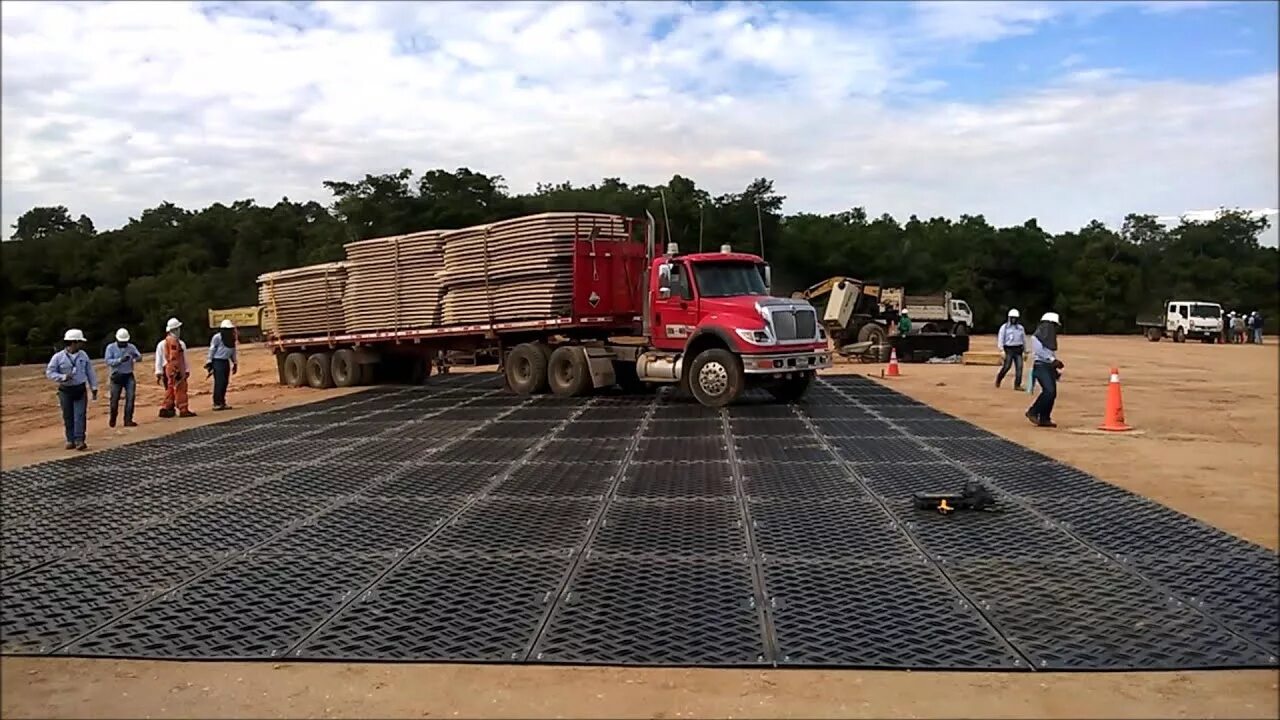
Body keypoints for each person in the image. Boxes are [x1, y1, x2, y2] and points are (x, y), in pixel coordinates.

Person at [45, 328, 99, 450]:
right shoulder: (58, 357)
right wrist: (62, 377)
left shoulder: (83, 355)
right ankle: (70, 439)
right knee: (68, 415)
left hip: (80, 389)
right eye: (80, 342)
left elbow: (90, 371)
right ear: (73, 342)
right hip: (65, 390)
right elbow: (50, 372)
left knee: (80, 415)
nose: (81, 344)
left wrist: (94, 387)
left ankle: (80, 439)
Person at [1025, 312, 1064, 428]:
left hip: (1048, 367)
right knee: (1049, 391)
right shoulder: (1036, 337)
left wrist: (1055, 367)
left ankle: (1045, 417)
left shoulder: (1049, 339)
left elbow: (1050, 353)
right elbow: (1040, 352)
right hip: (1041, 366)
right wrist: (1053, 360)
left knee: (1052, 394)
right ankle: (1033, 411)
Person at [158, 317, 196, 418]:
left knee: (170, 388)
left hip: (169, 369)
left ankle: (166, 407)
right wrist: (179, 371)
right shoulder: (175, 343)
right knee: (181, 389)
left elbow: (160, 358)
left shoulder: (165, 342)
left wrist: (159, 372)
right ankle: (183, 409)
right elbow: (175, 358)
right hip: (176, 369)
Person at [103, 328, 142, 428]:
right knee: (114, 400)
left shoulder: (131, 347)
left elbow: (139, 358)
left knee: (131, 397)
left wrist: (136, 357)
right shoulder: (110, 348)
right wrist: (120, 360)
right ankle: (113, 418)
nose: (123, 344)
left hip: (128, 375)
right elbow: (108, 361)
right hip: (116, 376)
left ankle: (128, 419)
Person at [206, 319, 239, 411]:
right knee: (219, 382)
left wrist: (235, 363)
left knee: (225, 382)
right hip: (218, 361)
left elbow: (233, 351)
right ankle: (217, 403)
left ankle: (222, 402)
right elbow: (212, 349)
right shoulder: (217, 337)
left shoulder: (232, 339)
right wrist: (209, 361)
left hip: (225, 362)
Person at [995, 308, 1025, 390]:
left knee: (1019, 367)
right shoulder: (1004, 328)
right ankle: (999, 378)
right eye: (1012, 317)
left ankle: (1017, 385)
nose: (1014, 319)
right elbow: (1001, 339)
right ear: (1009, 318)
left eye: (1015, 318)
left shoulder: (1020, 328)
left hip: (1018, 349)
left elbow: (1023, 340)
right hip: (1009, 349)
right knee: (1007, 366)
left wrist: (1025, 351)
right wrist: (1001, 350)